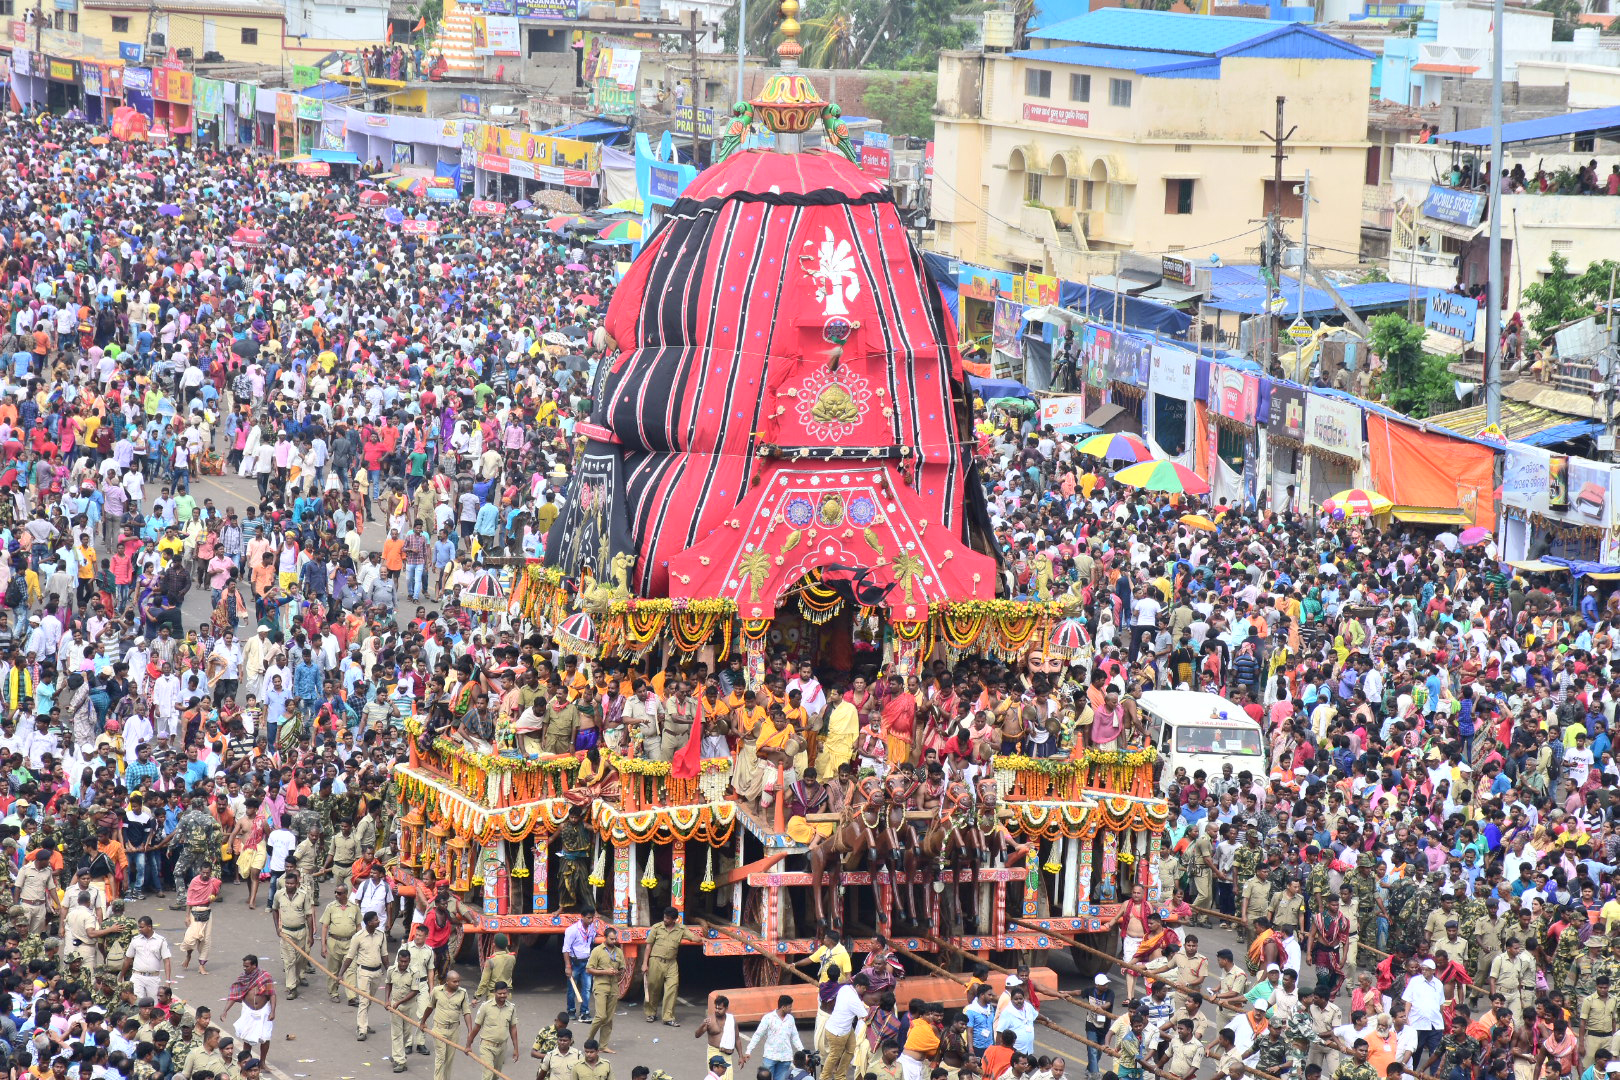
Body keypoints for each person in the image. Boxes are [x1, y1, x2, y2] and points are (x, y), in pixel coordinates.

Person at [641, 906, 697, 1025]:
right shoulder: (657, 927)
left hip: (672, 963)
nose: (665, 920)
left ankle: (668, 1017)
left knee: (672, 989)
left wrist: (700, 938)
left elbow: (693, 937)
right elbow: (648, 946)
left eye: (667, 918)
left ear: (674, 920)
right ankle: (651, 1013)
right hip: (656, 961)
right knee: (653, 988)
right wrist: (645, 963)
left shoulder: (681, 929)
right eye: (665, 917)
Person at [220, 954, 276, 1065]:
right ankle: (245, 1062)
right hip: (248, 1010)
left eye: (247, 966)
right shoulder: (242, 978)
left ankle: (262, 1062)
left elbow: (272, 994)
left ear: (254, 966)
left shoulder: (265, 977)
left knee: (265, 1037)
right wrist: (225, 1011)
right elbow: (234, 996)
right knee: (247, 1038)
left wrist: (273, 1011)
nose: (245, 968)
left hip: (263, 1010)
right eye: (244, 966)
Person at [424, 969, 473, 1080]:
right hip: (439, 1029)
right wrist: (423, 1022)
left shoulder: (463, 993)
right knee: (440, 1058)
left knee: (449, 1060)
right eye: (454, 982)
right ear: (447, 981)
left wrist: (470, 1031)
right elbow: (430, 1007)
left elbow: (466, 1012)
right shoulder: (437, 991)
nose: (457, 984)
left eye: (458, 981)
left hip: (454, 1030)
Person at [741, 995, 805, 1080]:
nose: (791, 1009)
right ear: (783, 1007)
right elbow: (758, 1035)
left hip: (785, 1058)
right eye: (790, 1007)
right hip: (770, 1057)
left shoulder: (791, 1019)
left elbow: (795, 1037)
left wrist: (802, 1051)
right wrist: (749, 1051)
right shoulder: (768, 1018)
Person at [467, 980, 519, 1080]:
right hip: (487, 1047)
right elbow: (477, 1027)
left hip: (502, 1047)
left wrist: (516, 1049)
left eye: (505, 993)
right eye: (500, 993)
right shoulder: (485, 1007)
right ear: (494, 992)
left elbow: (513, 1029)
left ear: (507, 992)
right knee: (488, 1075)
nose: (502, 995)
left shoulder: (511, 1008)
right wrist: (468, 1044)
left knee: (496, 1076)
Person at [383, 947, 422, 1074]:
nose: (403, 964)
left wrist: (400, 1002)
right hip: (395, 1005)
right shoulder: (391, 970)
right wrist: (387, 1000)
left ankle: (397, 1054)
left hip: (409, 1007)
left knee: (406, 1033)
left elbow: (415, 991)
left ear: (409, 961)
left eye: (406, 962)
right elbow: (388, 984)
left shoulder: (415, 972)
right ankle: (400, 1061)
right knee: (396, 1034)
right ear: (398, 960)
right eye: (401, 961)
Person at [181, 862, 223, 975]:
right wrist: (187, 916)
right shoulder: (194, 882)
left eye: (207, 873)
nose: (205, 875)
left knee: (206, 940)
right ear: (200, 871)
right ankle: (188, 956)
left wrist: (214, 898)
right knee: (191, 938)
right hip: (195, 912)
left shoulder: (213, 882)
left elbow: (217, 893)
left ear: (210, 873)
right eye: (203, 872)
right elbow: (189, 899)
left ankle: (201, 966)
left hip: (207, 912)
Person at [121, 916, 173, 1001]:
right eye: (139, 927)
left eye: (142, 927)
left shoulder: (161, 941)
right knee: (137, 1002)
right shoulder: (135, 940)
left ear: (149, 927)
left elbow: (166, 961)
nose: (139, 929)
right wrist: (121, 975)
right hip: (137, 976)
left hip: (153, 977)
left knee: (153, 1003)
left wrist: (168, 981)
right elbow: (128, 959)